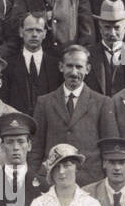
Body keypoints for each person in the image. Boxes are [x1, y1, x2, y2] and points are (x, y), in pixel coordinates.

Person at [29, 44, 119, 187]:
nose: (74, 72)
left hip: (91, 181)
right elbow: (36, 148)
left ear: (88, 69)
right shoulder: (44, 102)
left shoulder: (102, 103)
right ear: (61, 67)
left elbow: (110, 148)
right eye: (69, 66)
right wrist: (35, 178)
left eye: (79, 67)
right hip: (53, 179)